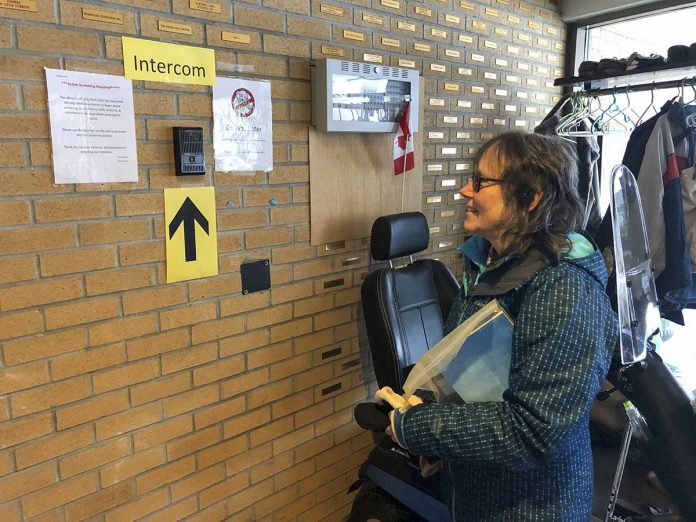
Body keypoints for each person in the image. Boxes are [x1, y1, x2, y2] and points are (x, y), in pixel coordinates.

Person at [387, 131, 619, 521]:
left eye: (480, 181)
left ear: (531, 198)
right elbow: (466, 376)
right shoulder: (490, 265)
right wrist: (440, 445)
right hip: (479, 492)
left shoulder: (564, 290)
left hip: (531, 507)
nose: (465, 191)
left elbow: (533, 431)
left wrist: (417, 428)